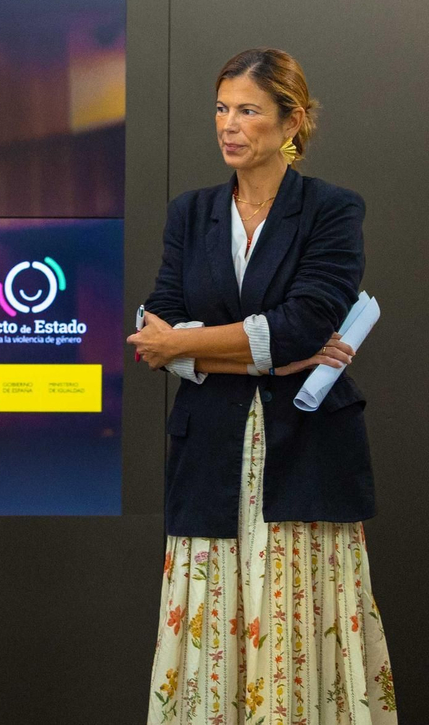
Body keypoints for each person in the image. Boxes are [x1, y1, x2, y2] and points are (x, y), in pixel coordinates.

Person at [128, 48, 395, 723]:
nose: (229, 125)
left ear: (291, 121)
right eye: (222, 109)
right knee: (210, 622)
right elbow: (151, 331)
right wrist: (260, 352)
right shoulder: (191, 214)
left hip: (304, 454)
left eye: (248, 110)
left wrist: (189, 343)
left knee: (296, 624)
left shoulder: (332, 210)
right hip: (211, 460)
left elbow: (306, 323)